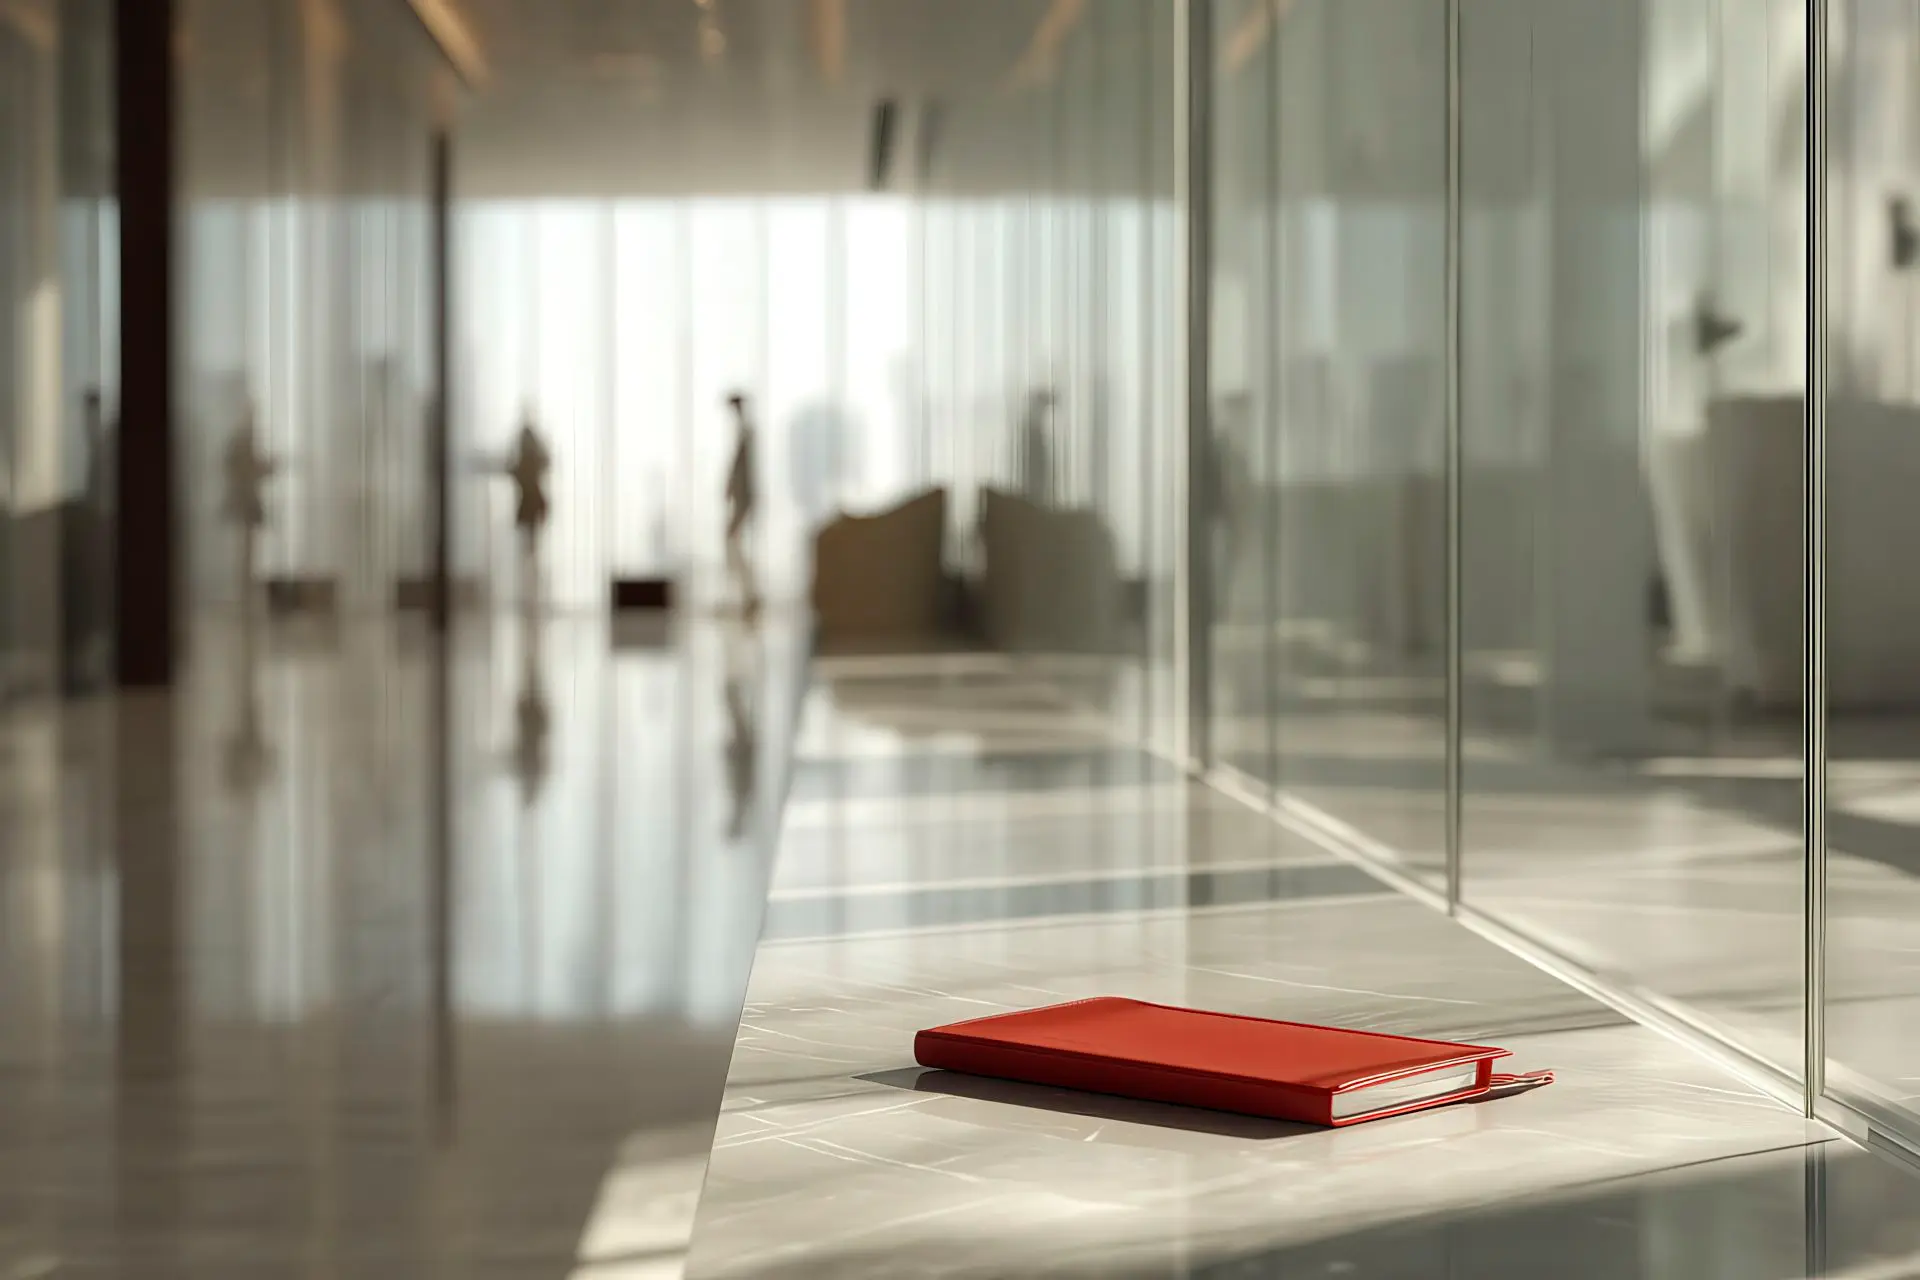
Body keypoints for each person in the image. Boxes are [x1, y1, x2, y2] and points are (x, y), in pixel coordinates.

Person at [504, 411, 552, 606]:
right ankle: (531, 577)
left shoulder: (527, 459)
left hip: (529, 502)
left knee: (530, 542)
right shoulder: (531, 458)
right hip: (531, 502)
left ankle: (532, 578)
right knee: (530, 542)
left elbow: (512, 470)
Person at [724, 392, 761, 617]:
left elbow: (743, 468)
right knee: (733, 543)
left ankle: (750, 595)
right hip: (742, 496)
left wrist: (733, 488)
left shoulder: (746, 433)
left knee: (733, 542)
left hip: (744, 497)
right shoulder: (744, 433)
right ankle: (747, 595)